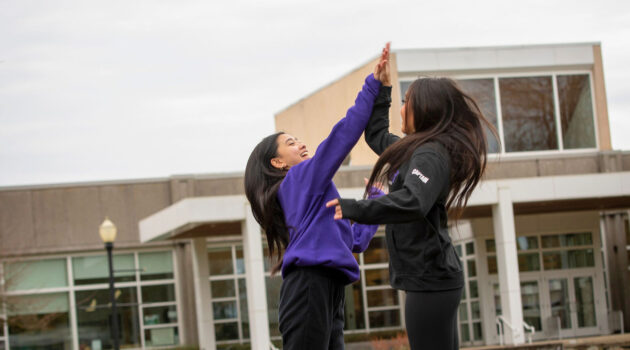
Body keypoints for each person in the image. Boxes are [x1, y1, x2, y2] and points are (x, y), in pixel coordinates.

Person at [326, 63, 496, 349]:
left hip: (431, 280)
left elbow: (413, 201)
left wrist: (354, 208)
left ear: (426, 110)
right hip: (432, 279)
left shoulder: (430, 154)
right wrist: (382, 88)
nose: (402, 109)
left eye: (407, 103)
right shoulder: (417, 149)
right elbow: (377, 135)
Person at [244, 44, 391, 350]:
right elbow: (342, 137)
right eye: (290, 143)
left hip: (330, 289)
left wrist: (374, 199)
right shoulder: (298, 180)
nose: (300, 144)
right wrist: (372, 86)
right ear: (278, 163)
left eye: (298, 139)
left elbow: (354, 241)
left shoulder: (311, 196)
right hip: (309, 287)